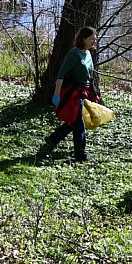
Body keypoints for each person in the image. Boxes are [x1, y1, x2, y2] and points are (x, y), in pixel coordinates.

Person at [44, 26, 99, 162]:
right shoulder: (74, 54)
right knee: (78, 123)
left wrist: (93, 93)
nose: (94, 40)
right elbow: (61, 75)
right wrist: (56, 95)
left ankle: (53, 139)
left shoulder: (88, 53)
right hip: (71, 93)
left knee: (73, 120)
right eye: (92, 38)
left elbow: (89, 76)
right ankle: (80, 153)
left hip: (82, 92)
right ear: (83, 39)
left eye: (94, 38)